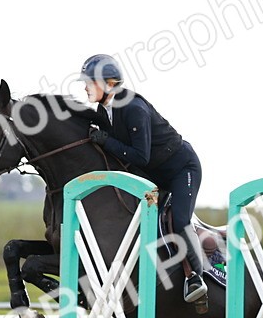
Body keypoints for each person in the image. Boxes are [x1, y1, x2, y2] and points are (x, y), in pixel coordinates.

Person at [79, 54, 207, 303]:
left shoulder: (134, 108)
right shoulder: (104, 109)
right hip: (153, 177)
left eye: (89, 82)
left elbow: (141, 156)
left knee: (179, 220)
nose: (84, 87)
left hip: (182, 170)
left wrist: (106, 140)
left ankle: (196, 277)